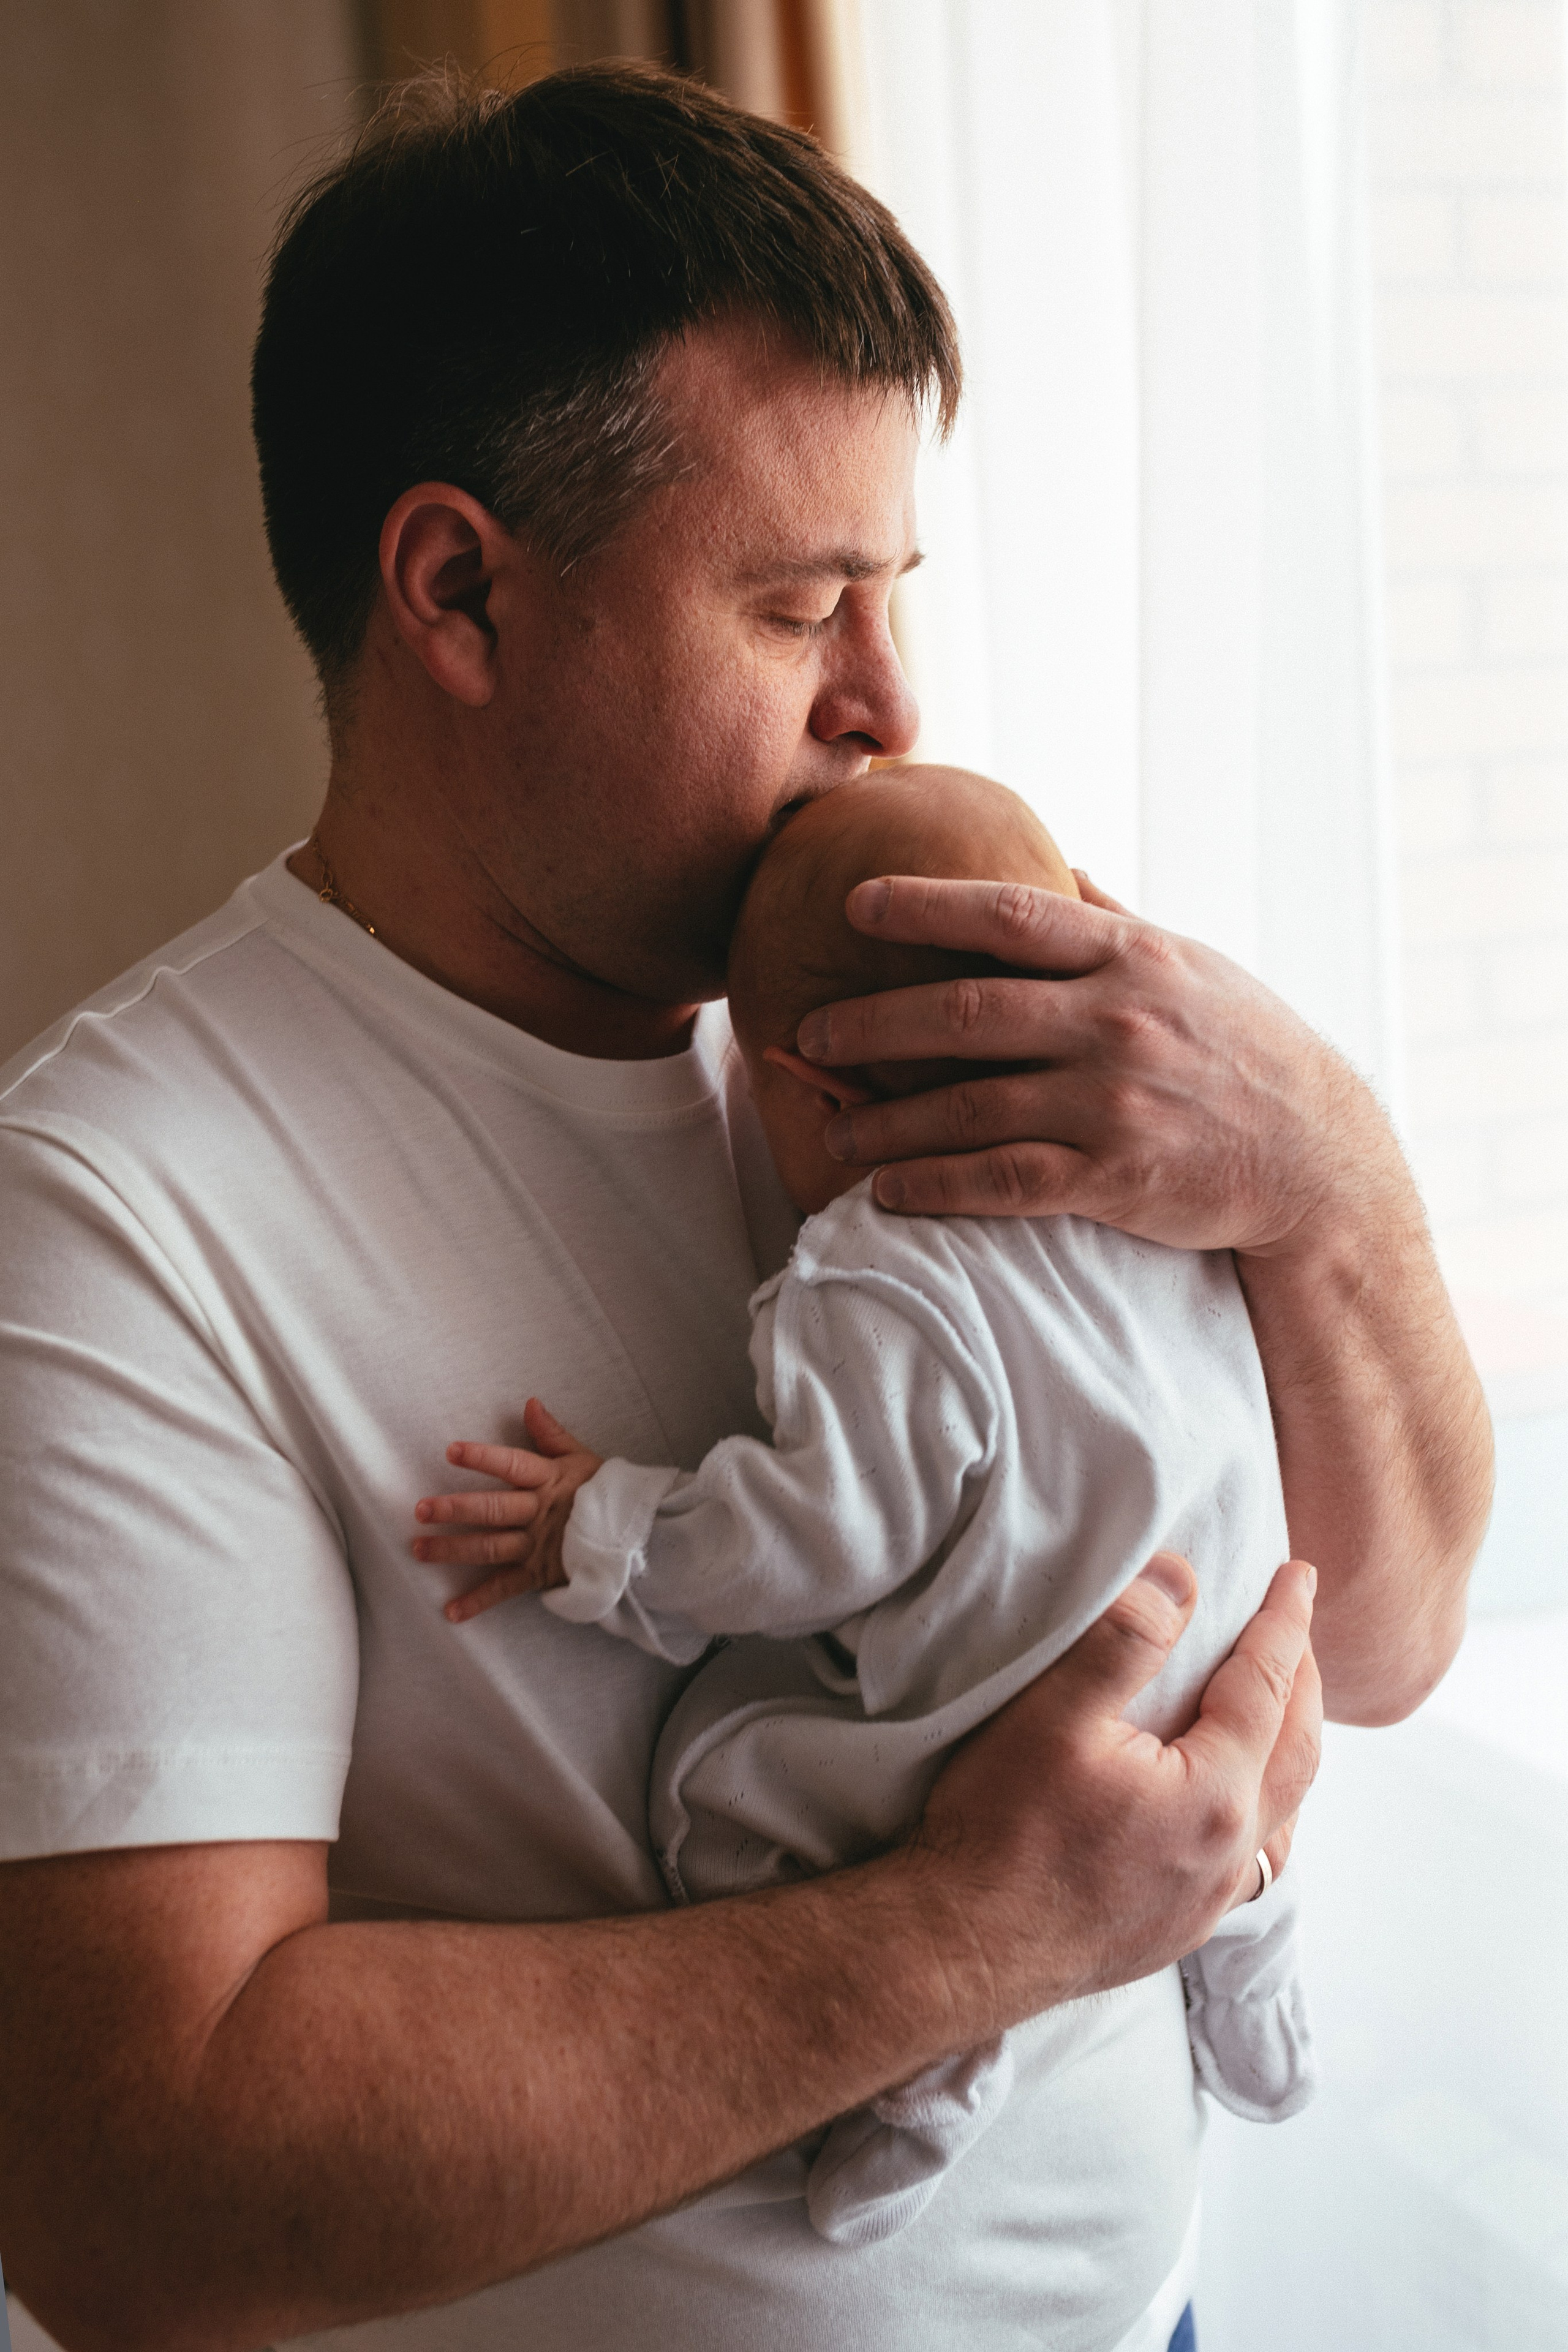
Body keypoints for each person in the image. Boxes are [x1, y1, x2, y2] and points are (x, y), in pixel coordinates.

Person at [0, 63, 1483, 2352]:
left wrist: (1328, 1171)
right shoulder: (120, 1214)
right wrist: (983, 1933)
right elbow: (139, 2187)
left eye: (898, 594)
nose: (889, 707)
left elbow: (1383, 1644)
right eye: (802, 609)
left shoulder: (926, 976)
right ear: (459, 593)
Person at [412, 765, 1318, 2255]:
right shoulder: (1159, 1184)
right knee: (1225, 1804)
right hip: (1226, 1674)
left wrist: (601, 1526)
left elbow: (813, 1540)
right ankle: (1255, 1947)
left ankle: (933, 2061)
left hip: (1026, 1725)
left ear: (811, 1091)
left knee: (735, 1790)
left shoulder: (883, 1269)